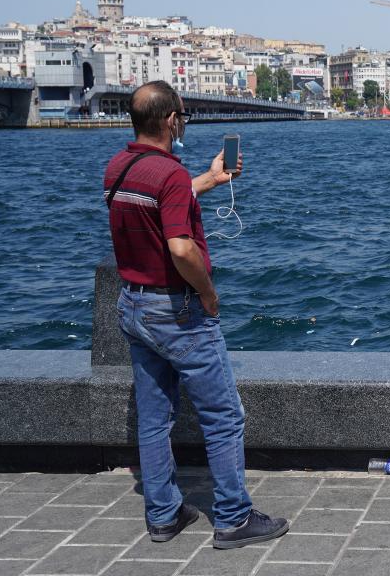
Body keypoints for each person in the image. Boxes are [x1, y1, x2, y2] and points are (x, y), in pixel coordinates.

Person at [104, 81, 289, 549]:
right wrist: (206, 291)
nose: (184, 121)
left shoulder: (119, 168)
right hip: (176, 310)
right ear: (170, 120)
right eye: (183, 115)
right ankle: (232, 518)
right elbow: (180, 247)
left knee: (153, 416)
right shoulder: (166, 174)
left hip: (133, 304)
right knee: (224, 415)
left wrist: (208, 180)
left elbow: (161, 202)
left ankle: (163, 515)